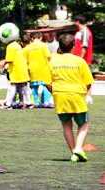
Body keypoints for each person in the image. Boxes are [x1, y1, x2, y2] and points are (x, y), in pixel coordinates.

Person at [45, 33, 94, 162]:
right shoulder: (80, 61)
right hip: (77, 95)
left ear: (59, 47)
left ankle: (73, 152)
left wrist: (55, 92)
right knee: (83, 124)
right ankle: (78, 148)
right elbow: (88, 82)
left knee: (66, 124)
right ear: (73, 46)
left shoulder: (53, 62)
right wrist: (83, 93)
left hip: (60, 96)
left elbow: (47, 82)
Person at [0, 35, 32, 109]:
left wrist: (3, 64)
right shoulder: (20, 47)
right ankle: (29, 103)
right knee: (24, 85)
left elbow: (9, 59)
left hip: (15, 69)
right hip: (23, 68)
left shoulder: (10, 46)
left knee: (13, 85)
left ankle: (9, 104)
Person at [25, 32, 52, 107]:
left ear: (32, 38)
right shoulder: (44, 46)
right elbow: (48, 57)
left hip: (32, 69)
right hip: (44, 69)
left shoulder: (28, 47)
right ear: (41, 38)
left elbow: (25, 60)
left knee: (34, 87)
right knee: (45, 85)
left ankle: (36, 102)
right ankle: (46, 102)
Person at [73, 15, 94, 104]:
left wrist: (81, 59)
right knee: (80, 77)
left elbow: (84, 46)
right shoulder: (80, 31)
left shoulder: (85, 31)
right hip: (78, 58)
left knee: (86, 77)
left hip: (83, 58)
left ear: (77, 22)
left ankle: (88, 96)